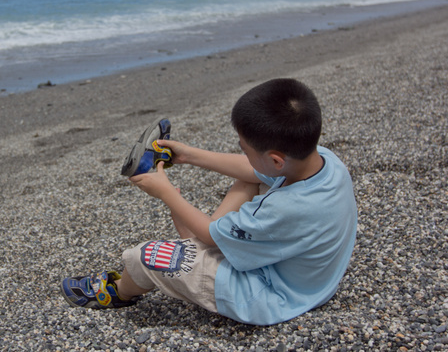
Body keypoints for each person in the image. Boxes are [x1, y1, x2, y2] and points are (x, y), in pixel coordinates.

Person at [60, 78, 357, 325]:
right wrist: (190, 155)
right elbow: (252, 170)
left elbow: (210, 234)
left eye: (245, 147)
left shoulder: (286, 211)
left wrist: (166, 193)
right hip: (308, 278)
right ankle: (207, 238)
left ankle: (117, 293)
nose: (242, 152)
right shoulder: (324, 161)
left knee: (146, 257)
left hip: (271, 296)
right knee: (249, 181)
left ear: (277, 159)